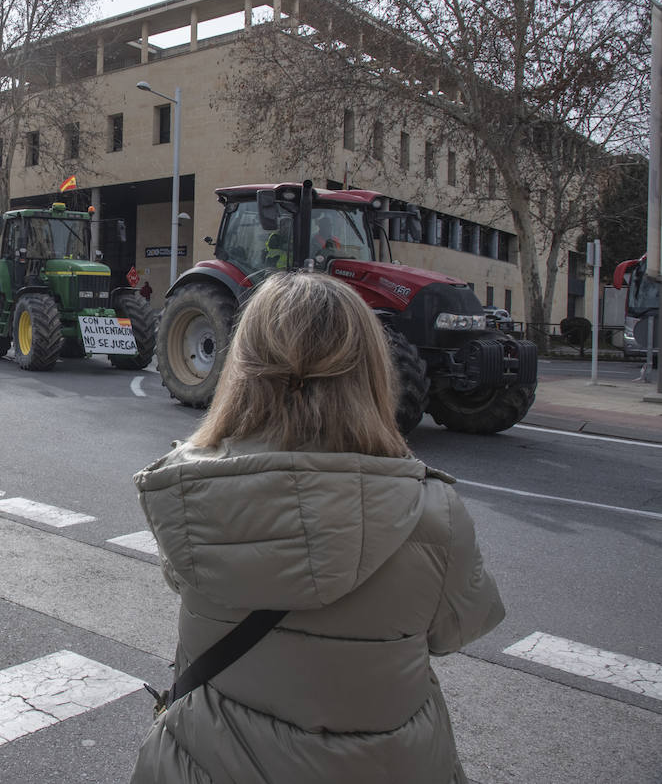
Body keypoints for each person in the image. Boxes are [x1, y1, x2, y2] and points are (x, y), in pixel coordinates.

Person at [131, 272, 503, 784]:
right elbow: (460, 627)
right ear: (373, 372)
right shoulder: (432, 513)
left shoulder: (189, 488)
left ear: (242, 367)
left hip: (207, 764)